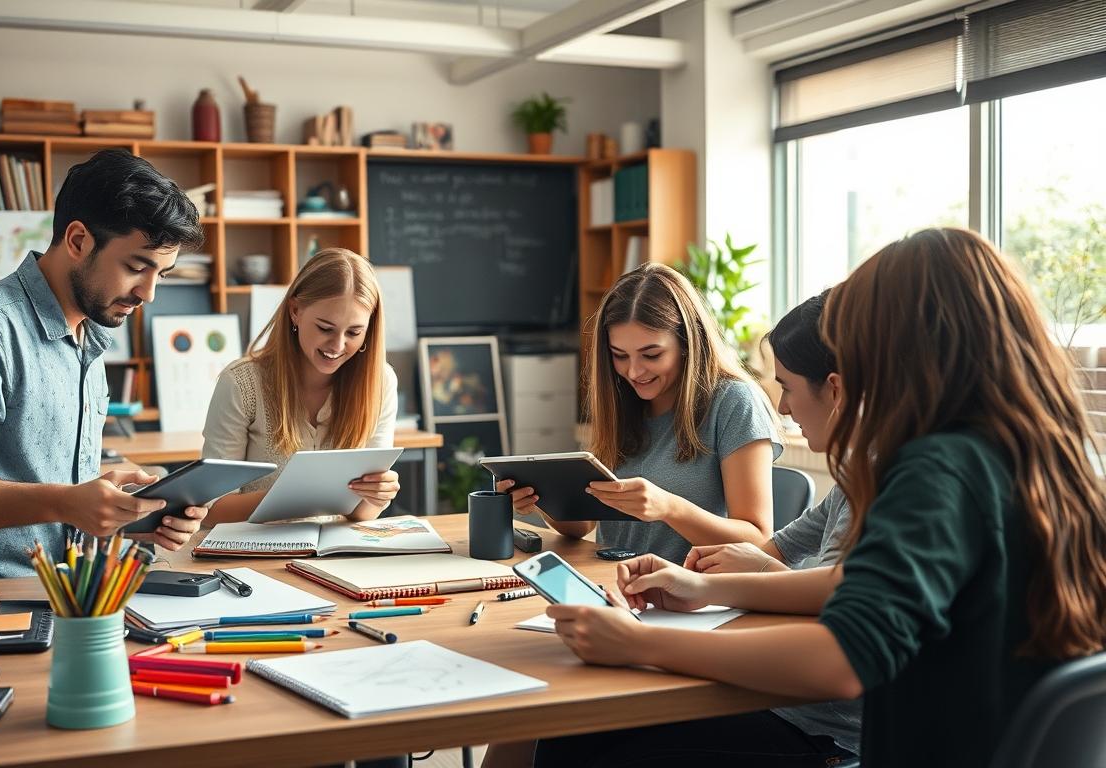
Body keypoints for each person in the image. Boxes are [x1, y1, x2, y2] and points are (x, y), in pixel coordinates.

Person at [539, 229, 1106, 768]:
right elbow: (862, 582)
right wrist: (708, 587)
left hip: (917, 747)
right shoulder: (1058, 452)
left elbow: (841, 660)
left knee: (585, 745)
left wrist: (641, 645)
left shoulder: (937, 468)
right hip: (991, 742)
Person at [0, 149, 208, 584]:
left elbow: (44, 483)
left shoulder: (89, 337)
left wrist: (125, 510)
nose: (149, 294)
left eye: (162, 275)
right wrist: (65, 501)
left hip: (63, 591)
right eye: (137, 267)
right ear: (78, 240)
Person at [497, 263, 780, 563]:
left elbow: (758, 541)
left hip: (693, 595)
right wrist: (542, 499)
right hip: (615, 585)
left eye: (652, 354)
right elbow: (582, 525)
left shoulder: (734, 402)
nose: (633, 371)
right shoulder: (622, 400)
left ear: (687, 342)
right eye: (620, 356)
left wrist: (669, 508)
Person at [200, 247, 399, 523]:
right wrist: (299, 495)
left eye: (354, 332)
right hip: (252, 555)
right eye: (325, 328)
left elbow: (361, 514)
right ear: (295, 311)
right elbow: (212, 511)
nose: (338, 346)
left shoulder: (380, 382)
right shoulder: (241, 383)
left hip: (334, 555)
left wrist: (378, 494)